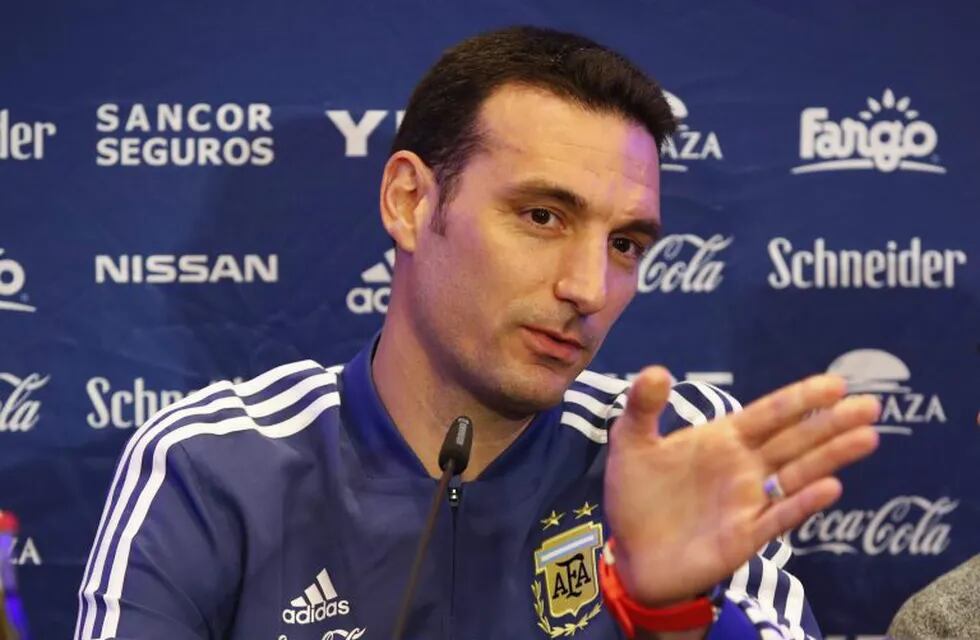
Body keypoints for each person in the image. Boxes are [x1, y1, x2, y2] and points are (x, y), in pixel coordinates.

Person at [73, 26, 881, 640]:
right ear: (411, 203)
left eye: (626, 244)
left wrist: (670, 611)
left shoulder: (684, 450)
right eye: (541, 216)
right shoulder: (214, 467)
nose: (588, 288)